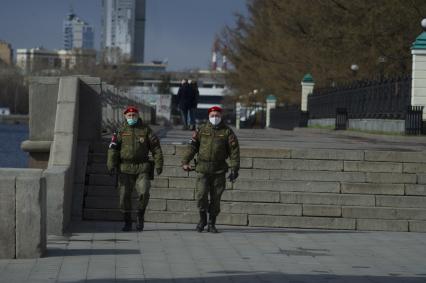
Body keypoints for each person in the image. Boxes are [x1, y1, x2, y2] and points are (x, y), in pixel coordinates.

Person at [181, 106, 240, 233]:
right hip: (202, 169)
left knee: (216, 198)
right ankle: (202, 219)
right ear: (209, 116)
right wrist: (185, 161)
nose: (215, 118)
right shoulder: (201, 130)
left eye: (217, 115)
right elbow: (192, 147)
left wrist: (235, 168)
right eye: (213, 115)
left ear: (221, 116)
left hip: (218, 170)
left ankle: (211, 223)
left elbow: (234, 152)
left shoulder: (227, 132)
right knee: (201, 195)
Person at [107, 105, 164, 232]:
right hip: (125, 168)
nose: (132, 117)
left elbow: (156, 148)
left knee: (144, 192)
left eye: (134, 115)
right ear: (125, 116)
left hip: (142, 167)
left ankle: (140, 216)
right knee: (124, 196)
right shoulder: (120, 131)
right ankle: (127, 221)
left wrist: (159, 164)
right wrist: (111, 164)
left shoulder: (145, 130)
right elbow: (113, 149)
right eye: (129, 116)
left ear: (138, 116)